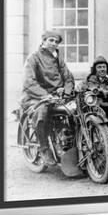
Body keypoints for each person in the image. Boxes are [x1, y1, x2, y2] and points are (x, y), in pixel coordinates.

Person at [21, 30, 75, 165]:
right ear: (43, 41)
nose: (53, 44)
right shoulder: (33, 58)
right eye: (51, 40)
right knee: (42, 111)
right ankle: (44, 148)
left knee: (77, 107)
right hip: (35, 96)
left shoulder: (58, 59)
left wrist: (67, 92)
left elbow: (68, 78)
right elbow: (29, 82)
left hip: (56, 96)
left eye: (56, 42)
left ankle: (73, 144)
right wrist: (46, 95)